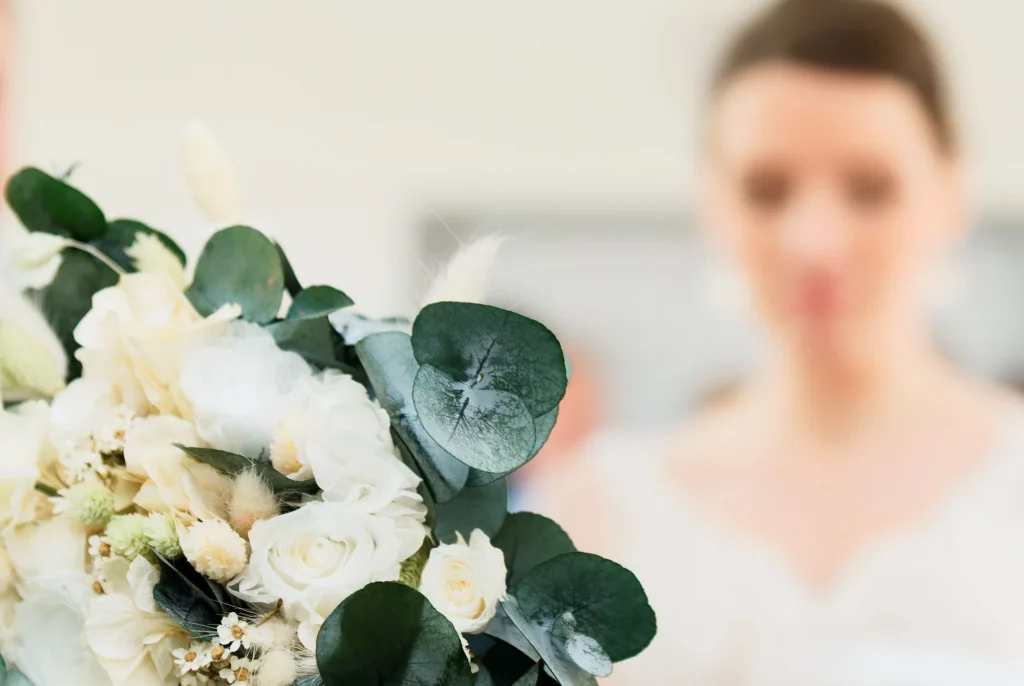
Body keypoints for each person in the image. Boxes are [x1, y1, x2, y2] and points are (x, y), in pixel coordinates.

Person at [543, 1, 1024, 683]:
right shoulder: (597, 510)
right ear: (712, 202)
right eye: (767, 191)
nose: (816, 242)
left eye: (870, 189)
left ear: (951, 192)